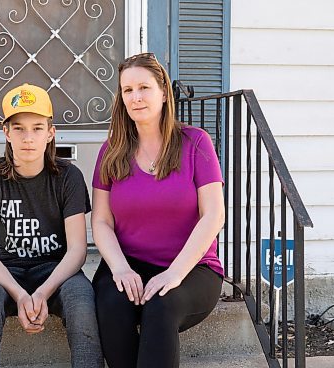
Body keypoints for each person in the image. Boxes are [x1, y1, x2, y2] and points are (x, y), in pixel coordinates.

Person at [91, 53, 225, 368]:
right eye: (127, 90)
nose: (135, 97)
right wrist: (120, 269)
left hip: (193, 268)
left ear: (163, 92)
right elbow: (101, 221)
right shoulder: (111, 151)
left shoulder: (195, 143)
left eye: (144, 88)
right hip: (129, 264)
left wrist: (175, 272)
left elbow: (213, 215)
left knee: (160, 305)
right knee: (111, 304)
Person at [0, 83, 104, 368]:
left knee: (82, 299)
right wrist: (19, 294)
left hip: (55, 270)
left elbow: (77, 249)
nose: (28, 138)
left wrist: (42, 292)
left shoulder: (68, 176)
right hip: (3, 271)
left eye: (38, 128)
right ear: (6, 132)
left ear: (50, 133)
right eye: (19, 128)